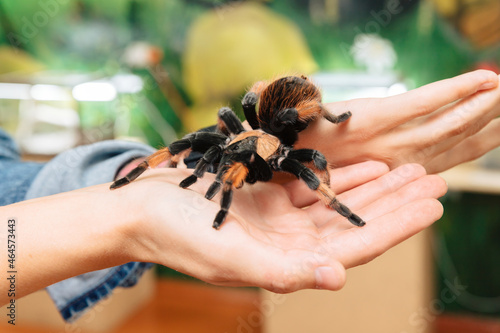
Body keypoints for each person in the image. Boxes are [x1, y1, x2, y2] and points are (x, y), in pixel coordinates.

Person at [0, 69, 498, 322]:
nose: (223, 147)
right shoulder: (232, 137)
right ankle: (132, 178)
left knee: (299, 165)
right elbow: (211, 139)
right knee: (192, 144)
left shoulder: (286, 148)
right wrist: (135, 188)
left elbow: (315, 162)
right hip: (257, 135)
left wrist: (332, 131)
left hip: (274, 133)